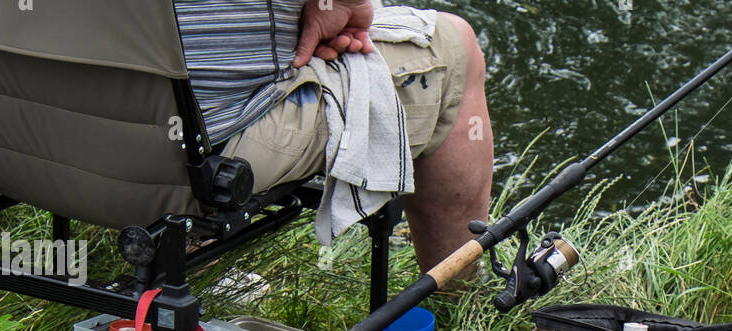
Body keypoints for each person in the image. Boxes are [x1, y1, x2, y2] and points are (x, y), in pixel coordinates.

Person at [172, 0, 492, 274]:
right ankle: (457, 300)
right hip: (210, 145)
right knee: (456, 44)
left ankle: (184, 248)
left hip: (129, 146)